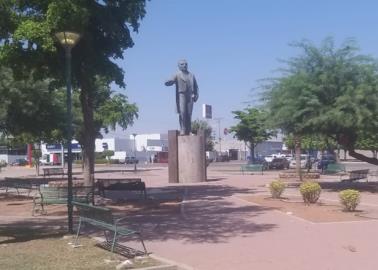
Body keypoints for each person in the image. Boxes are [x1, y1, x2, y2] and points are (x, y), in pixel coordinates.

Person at [165, 60, 199, 135]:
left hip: (190, 95)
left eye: (186, 64)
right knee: (182, 112)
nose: (184, 65)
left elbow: (196, 87)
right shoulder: (177, 74)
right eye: (182, 64)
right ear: (179, 66)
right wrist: (169, 82)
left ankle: (189, 130)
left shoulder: (191, 75)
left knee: (189, 114)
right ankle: (183, 129)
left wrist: (196, 95)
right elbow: (170, 80)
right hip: (181, 95)